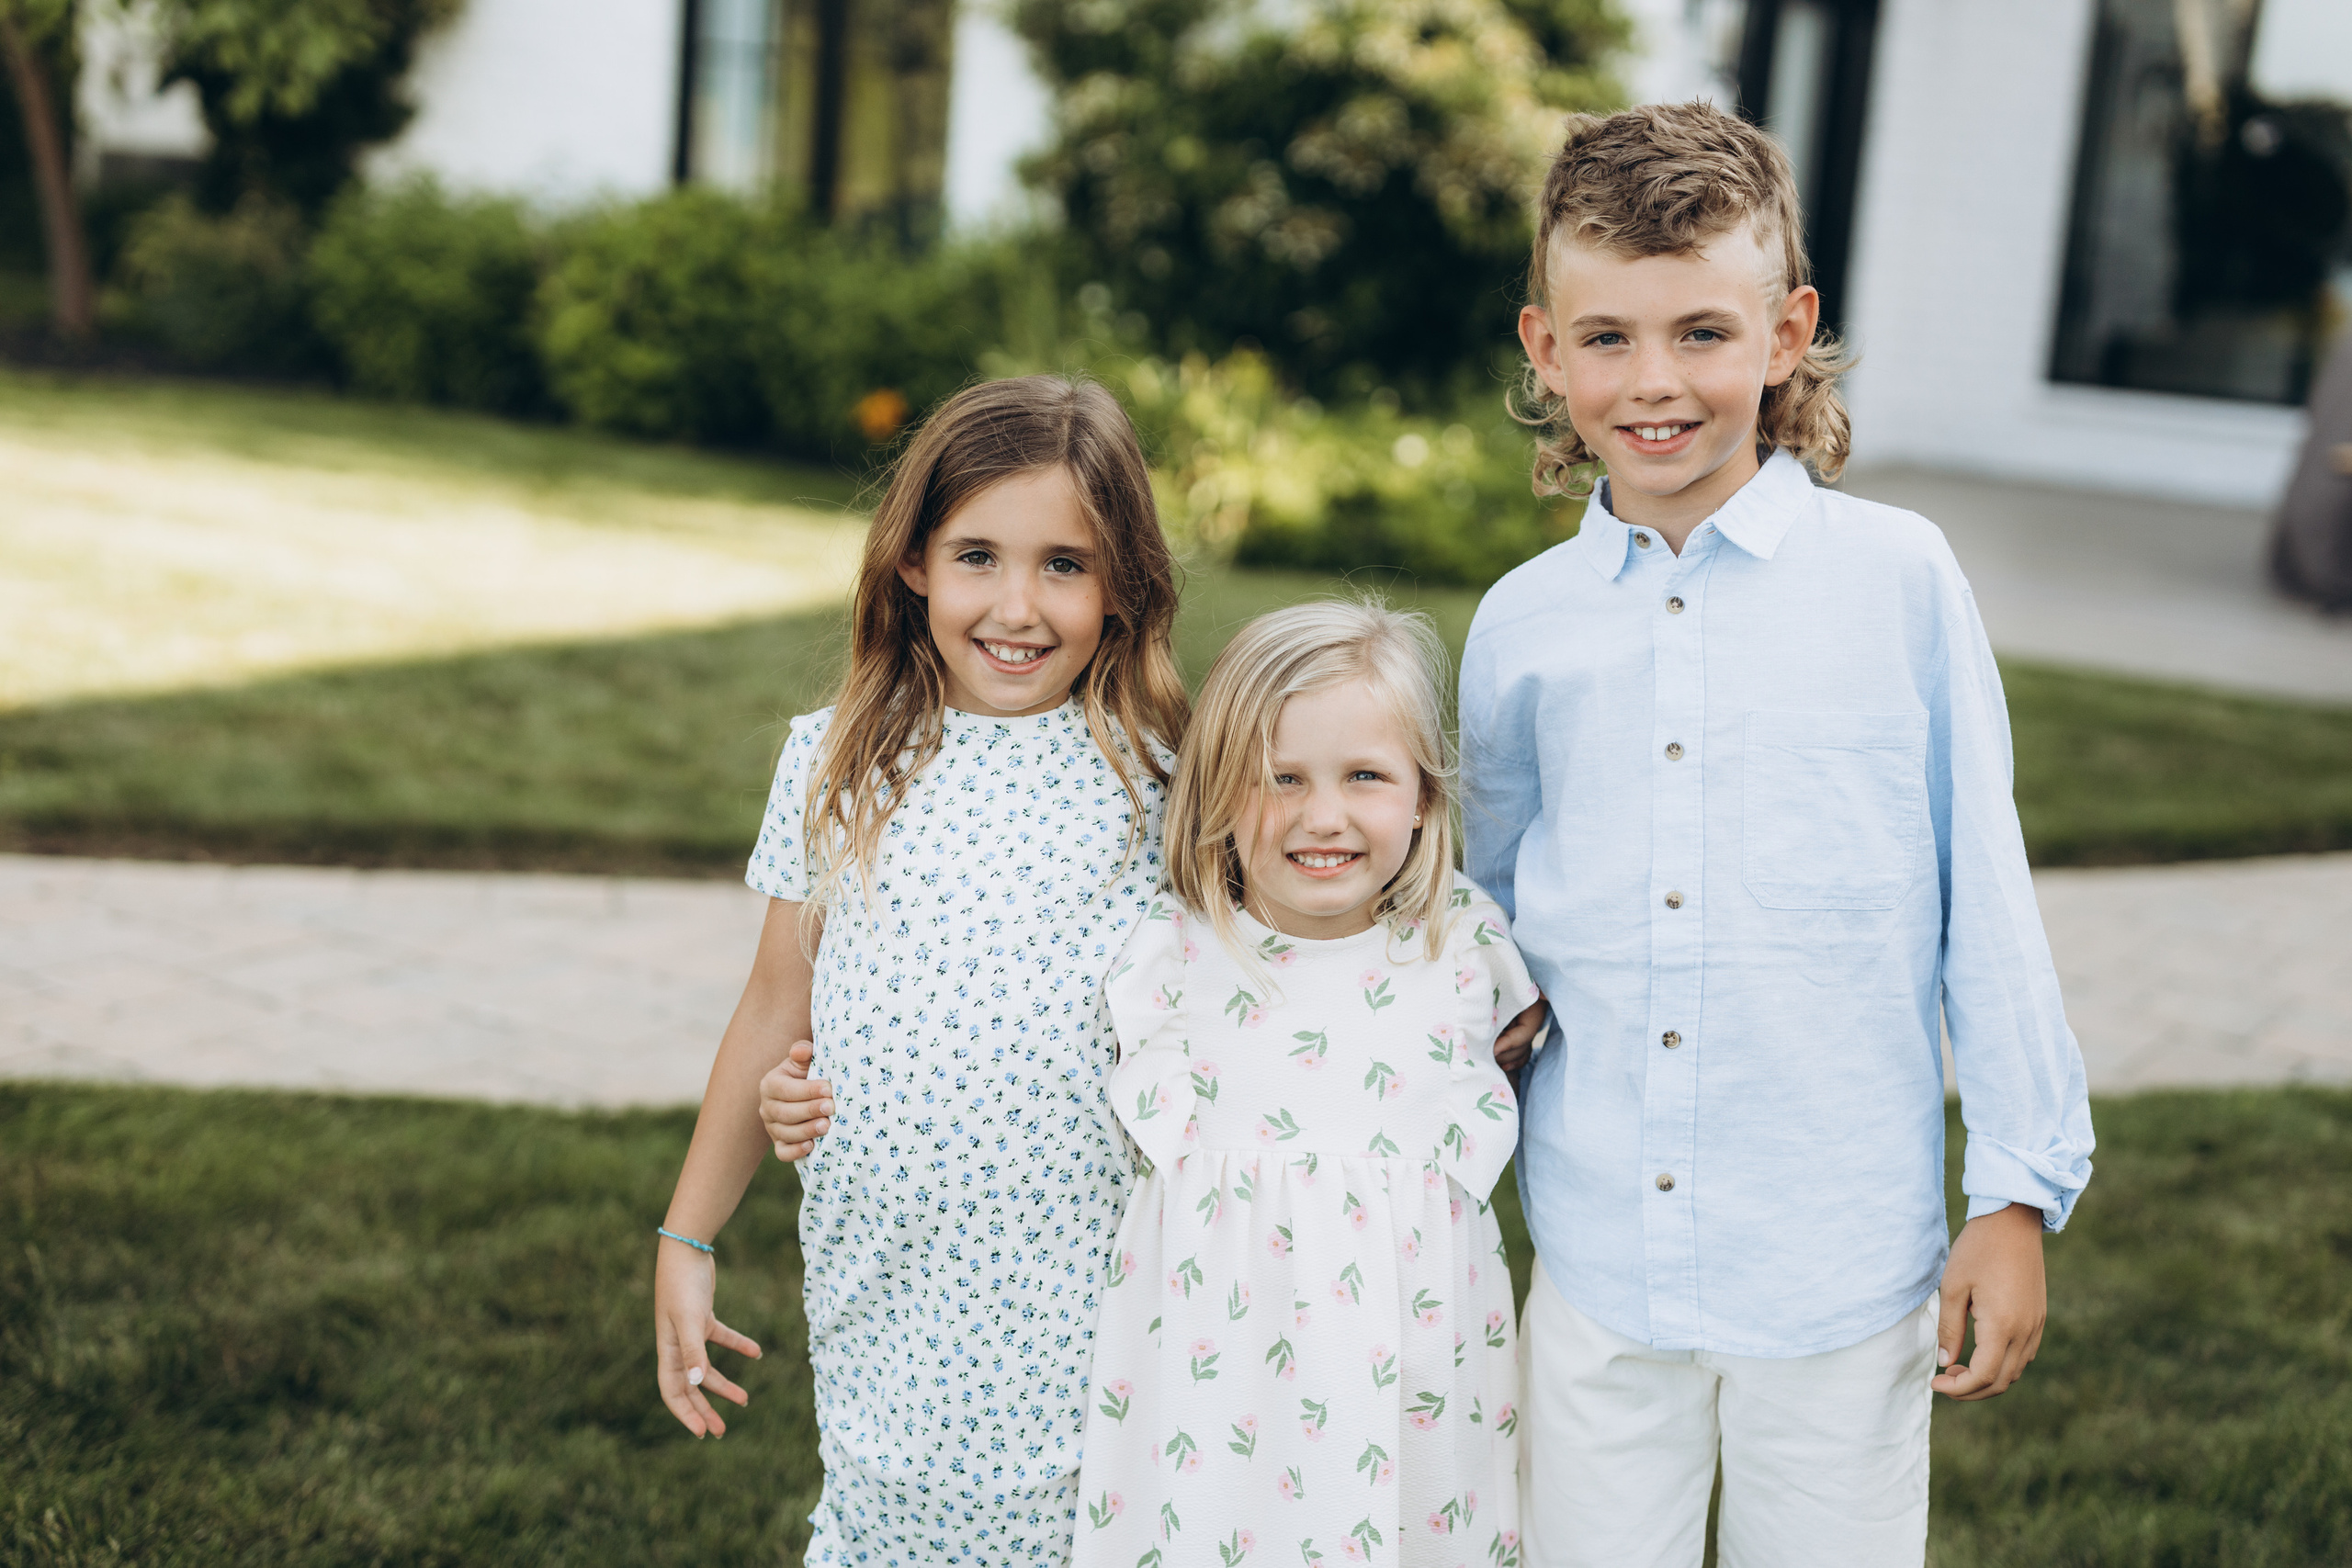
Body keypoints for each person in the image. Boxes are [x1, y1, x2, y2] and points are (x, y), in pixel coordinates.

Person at [1460, 103, 2096, 1567]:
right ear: (1545, 350)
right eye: (1606, 337)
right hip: (1602, 1256)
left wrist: (2012, 1189)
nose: (1655, 381)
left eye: (1701, 331)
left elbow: (1983, 896)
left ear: (1788, 328)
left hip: (1838, 1264)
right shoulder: (1523, 630)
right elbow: (1478, 919)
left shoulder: (1899, 584)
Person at [651, 374, 1192, 1564]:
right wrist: (689, 1233)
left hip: (1085, 1274)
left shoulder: (1165, 778)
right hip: (882, 1264)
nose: (1017, 603)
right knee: (896, 1515)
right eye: (978, 555)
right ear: (912, 563)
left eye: (1066, 563)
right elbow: (773, 1006)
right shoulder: (839, 756)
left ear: (1125, 585)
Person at [1070, 599, 1544, 1568]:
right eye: (1278, 779)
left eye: (1364, 776)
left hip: (1416, 1380)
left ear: (1423, 797)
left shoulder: (1467, 955)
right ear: (1216, 795)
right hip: (1219, 1394)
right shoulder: (1172, 965)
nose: (1321, 816)